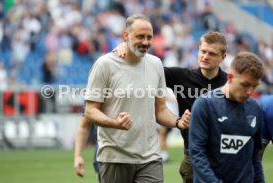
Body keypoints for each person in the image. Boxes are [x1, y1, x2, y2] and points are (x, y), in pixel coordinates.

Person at [74, 14, 191, 183]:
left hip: (150, 157)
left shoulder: (156, 64)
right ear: (126, 36)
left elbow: (161, 110)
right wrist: (115, 123)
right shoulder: (104, 64)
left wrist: (178, 122)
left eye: (149, 37)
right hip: (115, 157)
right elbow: (90, 112)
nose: (145, 42)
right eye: (140, 36)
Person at [114, 31, 228, 183]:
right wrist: (128, 48)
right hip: (194, 157)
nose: (205, 56)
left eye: (212, 54)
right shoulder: (181, 76)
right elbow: (146, 67)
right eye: (203, 51)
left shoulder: (231, 83)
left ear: (223, 57)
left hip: (226, 158)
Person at [189, 51, 265, 183]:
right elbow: (197, 154)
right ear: (230, 77)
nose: (250, 92)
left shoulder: (255, 108)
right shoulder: (205, 104)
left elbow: (255, 156)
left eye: (254, 86)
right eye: (245, 85)